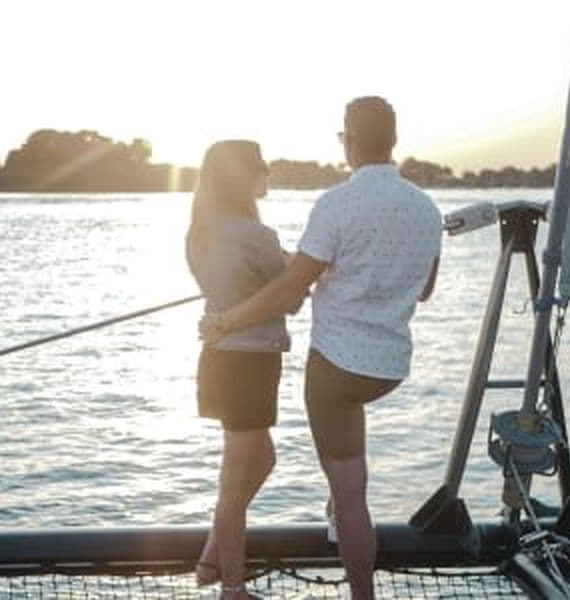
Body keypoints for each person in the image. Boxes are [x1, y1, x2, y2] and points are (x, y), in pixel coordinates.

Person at [200, 97, 442, 600]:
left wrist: (225, 320)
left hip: (336, 371)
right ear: (393, 141)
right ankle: (334, 515)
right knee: (347, 480)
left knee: (352, 495)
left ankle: (360, 591)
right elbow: (424, 289)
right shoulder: (426, 207)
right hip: (390, 368)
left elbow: (290, 290)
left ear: (348, 141)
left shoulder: (335, 205)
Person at [186, 140, 300, 600]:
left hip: (221, 360)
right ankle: (231, 587)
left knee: (261, 460)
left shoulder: (199, 235)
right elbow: (287, 295)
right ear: (244, 177)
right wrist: (298, 271)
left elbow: (244, 285)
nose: (267, 173)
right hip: (249, 365)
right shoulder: (259, 236)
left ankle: (214, 554)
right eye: (261, 167)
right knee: (234, 486)